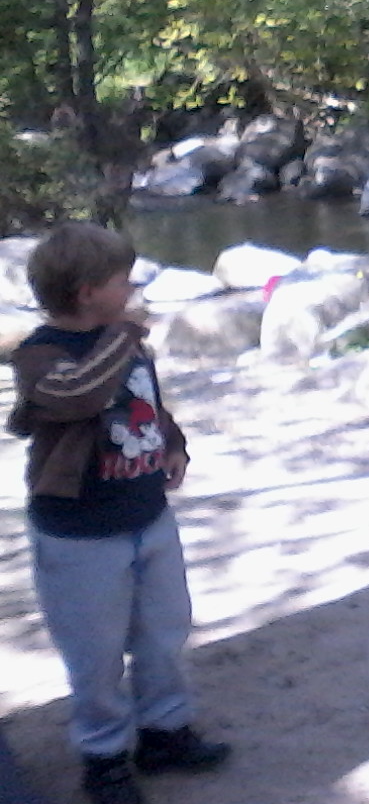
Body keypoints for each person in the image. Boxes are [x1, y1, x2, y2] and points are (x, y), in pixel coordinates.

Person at [7, 223, 230, 804]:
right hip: (80, 535)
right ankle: (104, 756)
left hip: (147, 517)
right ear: (87, 292)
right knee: (96, 651)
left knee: (164, 630)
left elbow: (146, 401)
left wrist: (175, 444)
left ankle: (164, 731)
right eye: (121, 280)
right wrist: (124, 339)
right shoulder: (41, 355)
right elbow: (78, 393)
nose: (131, 288)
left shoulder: (122, 342)